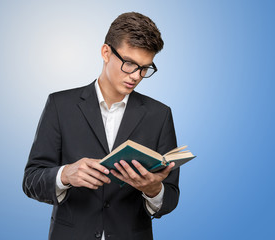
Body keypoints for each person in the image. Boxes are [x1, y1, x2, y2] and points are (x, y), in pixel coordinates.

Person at [23, 12, 180, 240]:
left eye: (145, 68)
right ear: (106, 52)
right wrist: (65, 175)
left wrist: (154, 190)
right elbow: (31, 180)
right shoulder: (60, 105)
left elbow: (171, 197)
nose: (136, 76)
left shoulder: (160, 115)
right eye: (129, 64)